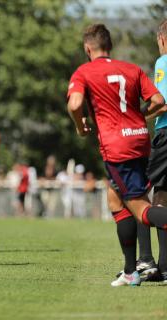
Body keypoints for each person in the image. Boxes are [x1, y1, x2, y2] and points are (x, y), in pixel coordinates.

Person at [67, 23, 167, 286]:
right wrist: (137, 117)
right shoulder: (132, 69)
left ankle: (134, 269)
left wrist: (80, 126)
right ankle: (131, 270)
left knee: (141, 209)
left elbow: (75, 103)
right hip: (141, 140)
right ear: (109, 46)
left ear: (87, 48)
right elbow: (157, 101)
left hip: (117, 146)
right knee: (115, 197)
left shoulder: (84, 71)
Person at [130, 20, 167, 282]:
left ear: (163, 40)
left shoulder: (164, 61)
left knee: (136, 191)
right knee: (163, 197)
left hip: (166, 136)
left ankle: (145, 261)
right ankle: (164, 268)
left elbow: (162, 103)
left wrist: (137, 115)